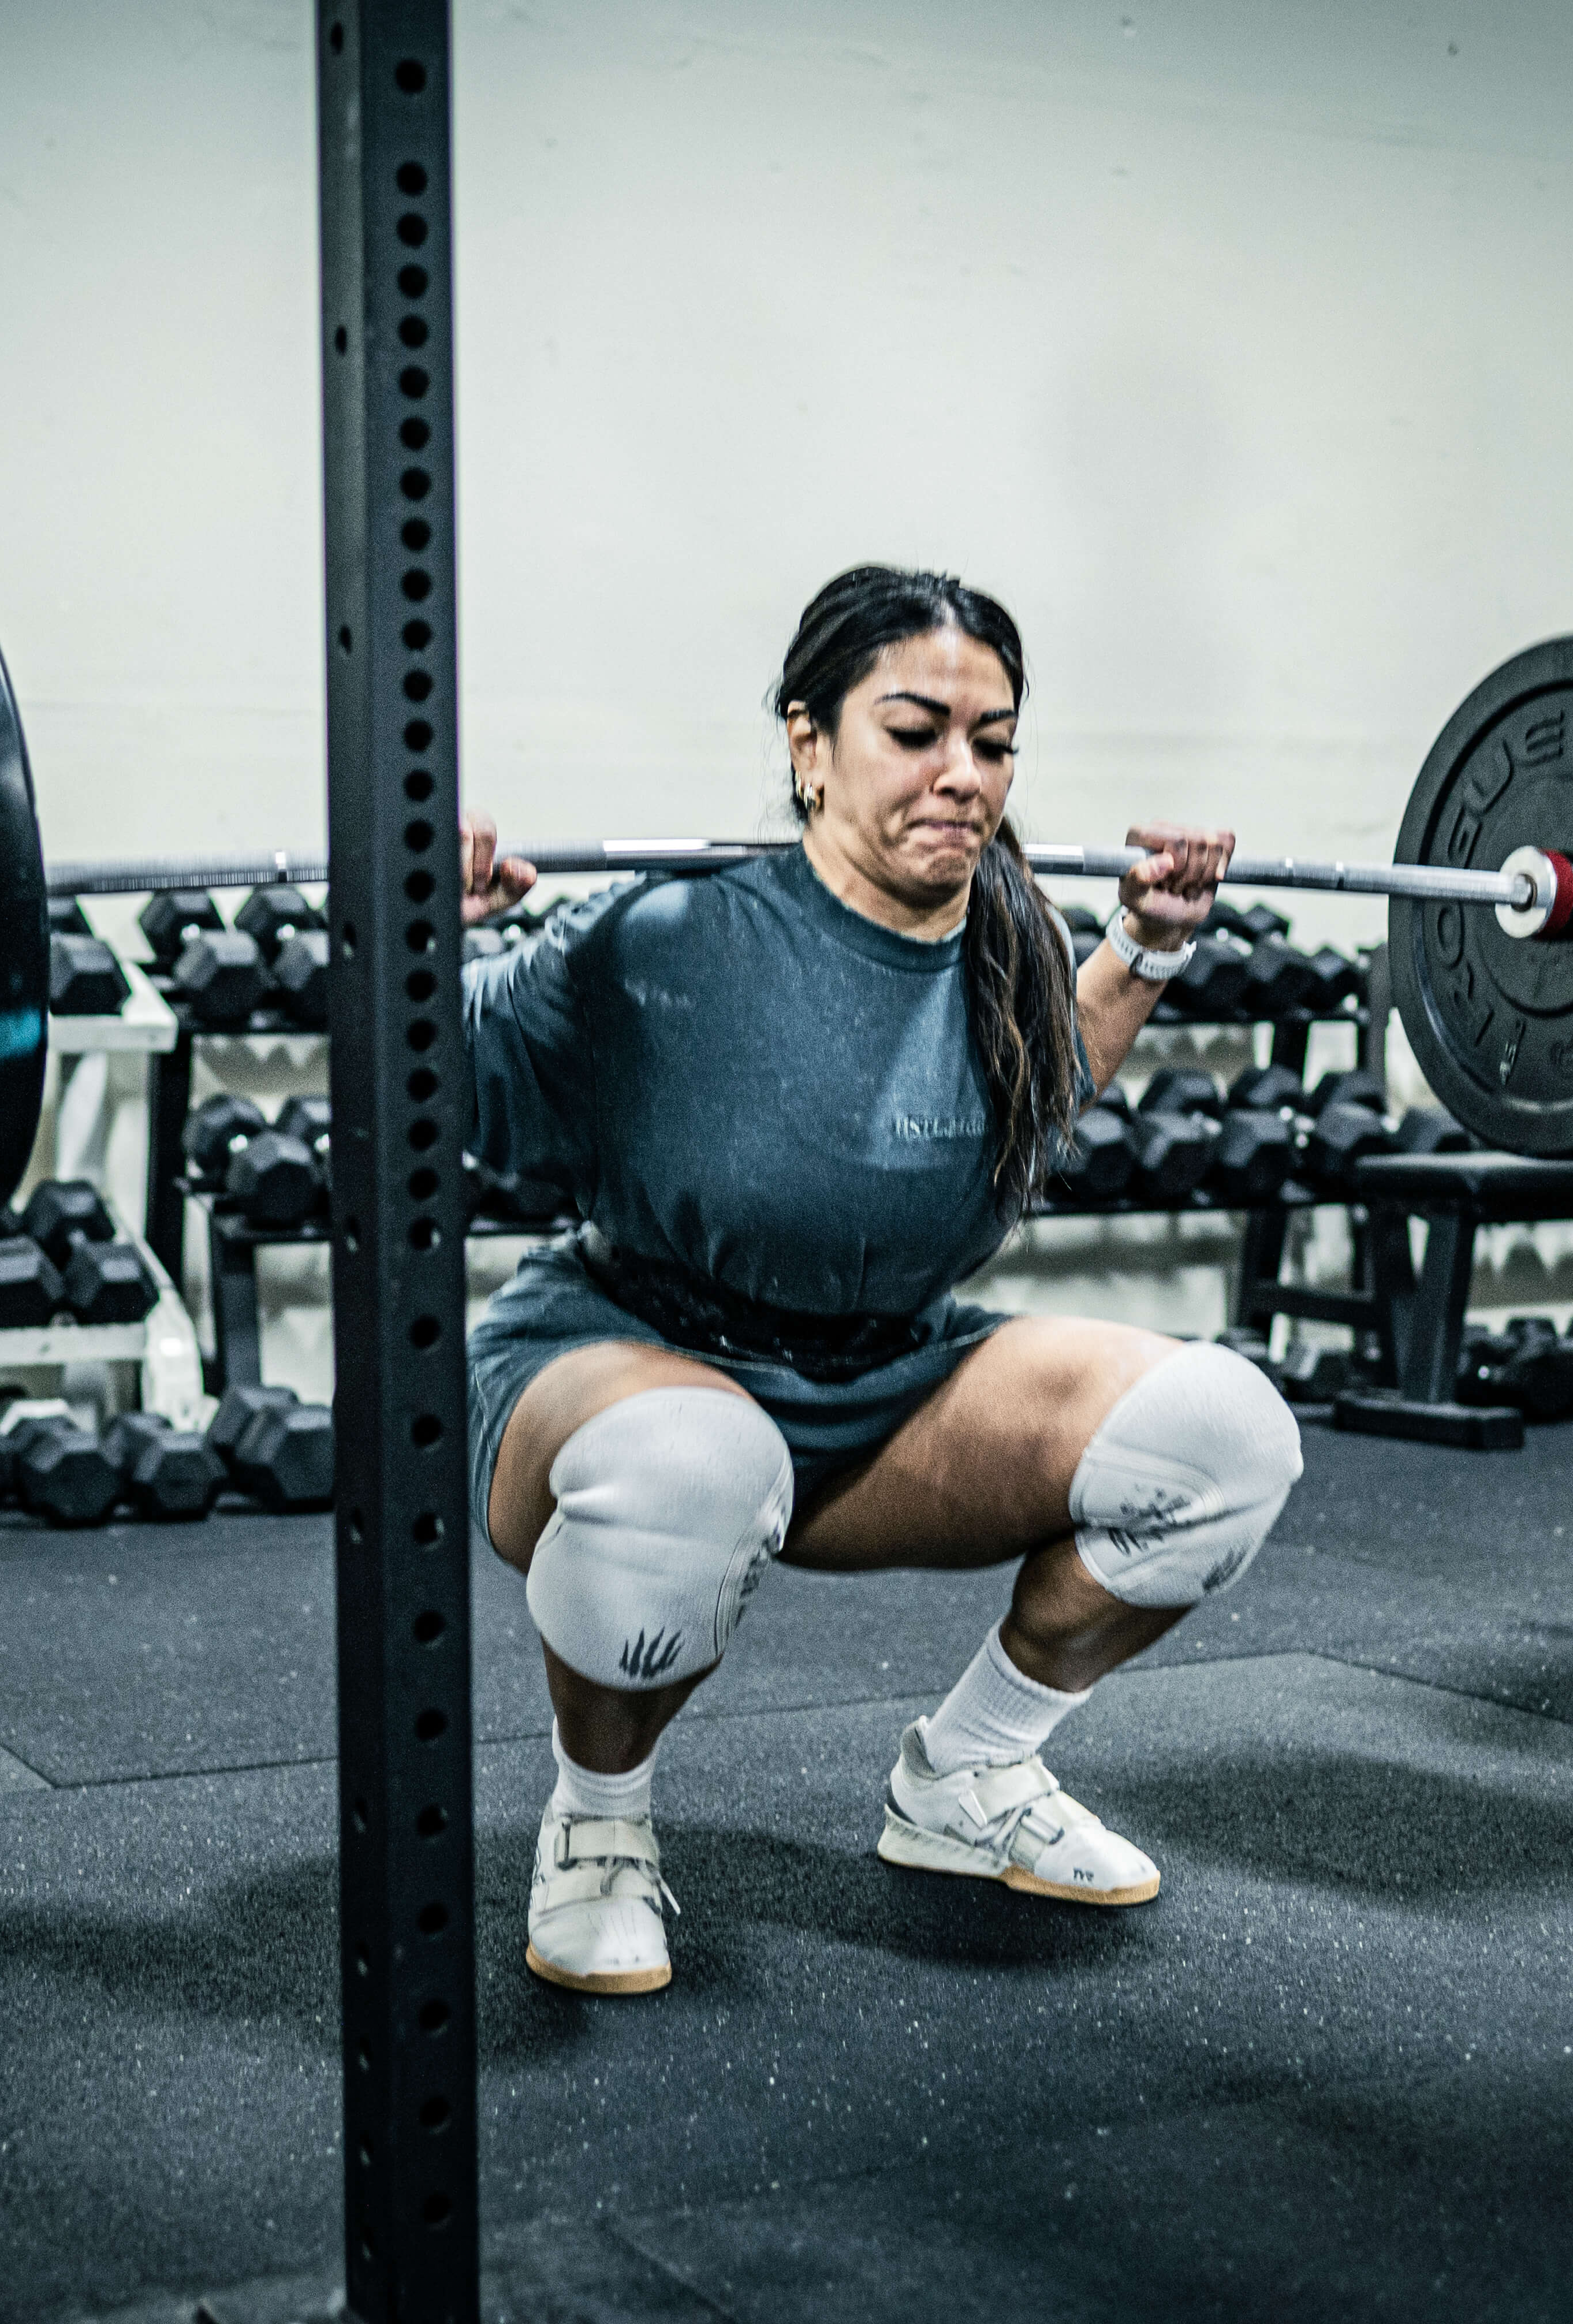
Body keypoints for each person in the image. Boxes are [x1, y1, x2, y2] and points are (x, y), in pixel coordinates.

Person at [461, 564, 1307, 1997]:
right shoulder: (667, 934)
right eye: (915, 732)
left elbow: (1038, 1093)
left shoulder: (1013, 937)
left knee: (1226, 1439)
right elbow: (440, 1081)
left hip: (886, 1379)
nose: (961, 773)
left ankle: (968, 1774)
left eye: (993, 741)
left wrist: (1150, 943)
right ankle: (598, 1817)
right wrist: (422, 933)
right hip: (629, 1356)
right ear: (809, 742)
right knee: (691, 1461)